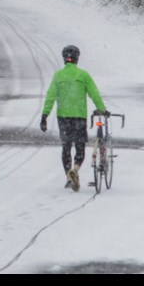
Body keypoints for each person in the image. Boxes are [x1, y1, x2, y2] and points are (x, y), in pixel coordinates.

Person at [40, 44, 108, 192]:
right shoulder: (83, 75)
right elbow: (94, 93)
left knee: (66, 147)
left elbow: (50, 96)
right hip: (79, 116)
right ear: (77, 59)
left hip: (63, 117)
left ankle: (68, 177)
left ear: (64, 59)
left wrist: (45, 115)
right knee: (79, 147)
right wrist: (102, 109)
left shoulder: (58, 76)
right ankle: (75, 169)